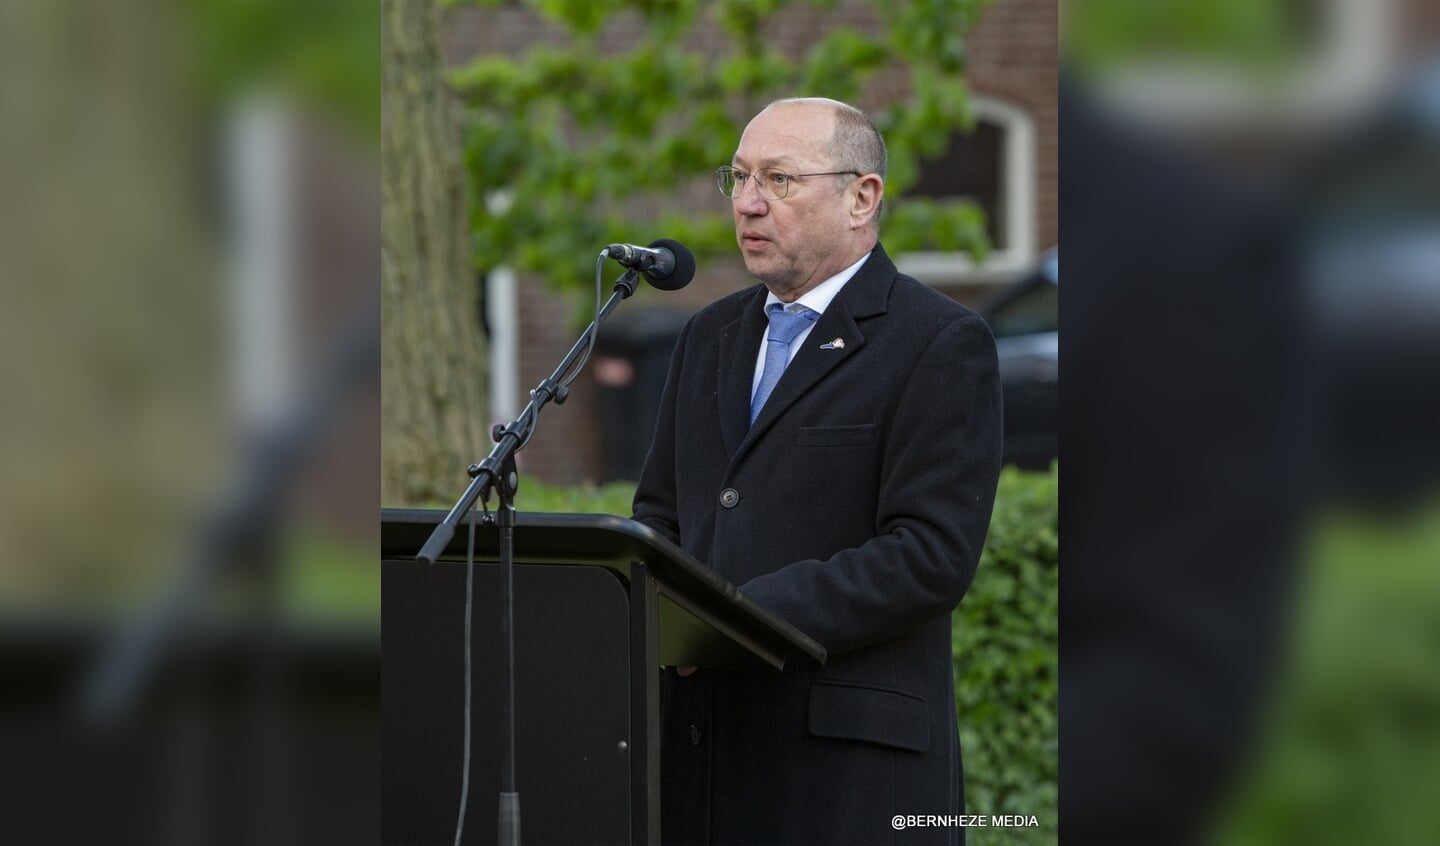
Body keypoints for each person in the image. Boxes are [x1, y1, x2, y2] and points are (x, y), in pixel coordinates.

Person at [632, 97, 1004, 844]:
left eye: (778, 179)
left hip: (846, 781)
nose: (747, 203)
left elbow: (929, 556)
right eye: (736, 178)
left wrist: (730, 619)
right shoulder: (710, 335)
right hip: (703, 768)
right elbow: (662, 517)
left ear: (862, 196)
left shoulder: (939, 342)